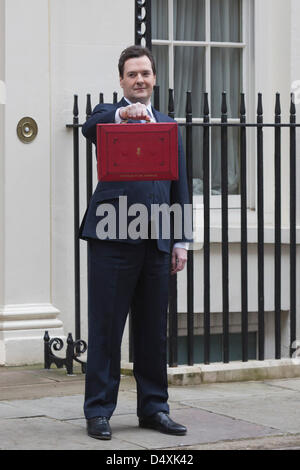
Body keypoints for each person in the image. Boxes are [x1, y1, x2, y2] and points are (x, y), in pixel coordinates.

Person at [80, 45, 192, 440]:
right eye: (132, 74)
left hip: (158, 239)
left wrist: (181, 240)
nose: (140, 80)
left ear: (154, 78)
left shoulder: (168, 124)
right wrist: (122, 114)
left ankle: (154, 409)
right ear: (122, 81)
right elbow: (89, 128)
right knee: (107, 328)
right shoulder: (106, 117)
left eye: (145, 73)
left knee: (151, 331)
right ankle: (98, 411)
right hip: (111, 238)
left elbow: (180, 185)